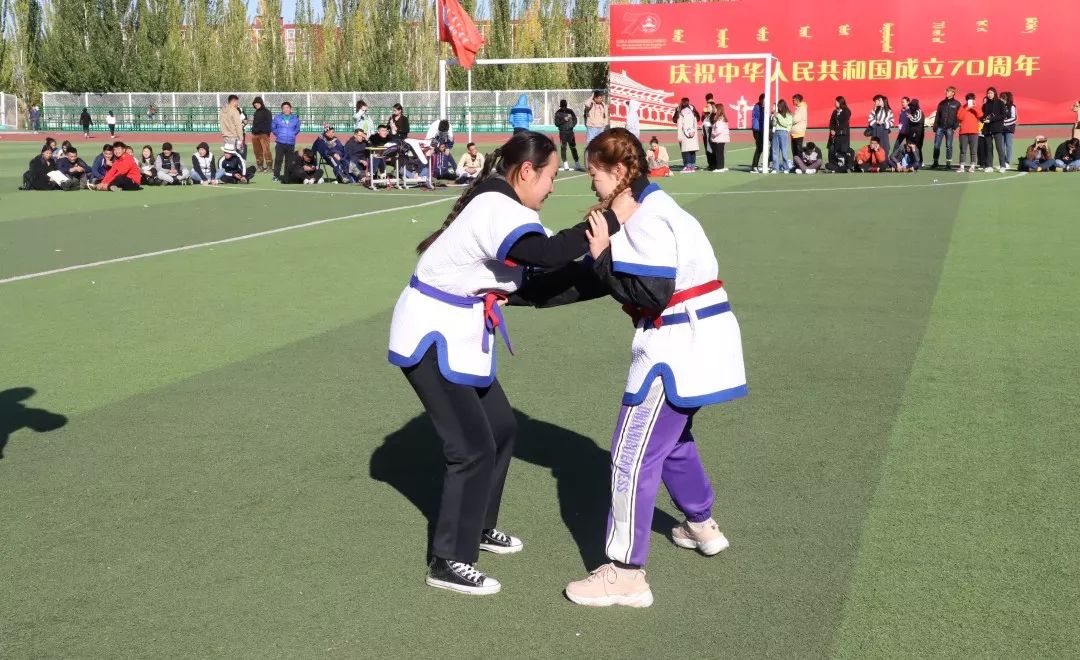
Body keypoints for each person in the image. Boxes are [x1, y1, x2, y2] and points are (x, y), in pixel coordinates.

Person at [508, 128, 747, 608]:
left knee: (630, 455)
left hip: (676, 346)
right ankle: (701, 524)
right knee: (671, 440)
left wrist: (601, 255)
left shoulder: (648, 217)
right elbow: (596, 279)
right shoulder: (649, 208)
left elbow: (650, 293)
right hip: (697, 340)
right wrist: (518, 294)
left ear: (618, 172)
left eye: (595, 175)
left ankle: (625, 573)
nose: (591, 184)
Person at [387, 131, 624, 596]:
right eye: (551, 176)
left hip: (459, 335)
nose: (553, 186)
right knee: (471, 447)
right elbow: (547, 254)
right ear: (527, 172)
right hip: (430, 335)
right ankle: (448, 560)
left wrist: (608, 274)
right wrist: (612, 217)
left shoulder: (508, 209)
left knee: (500, 429)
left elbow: (540, 282)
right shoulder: (496, 207)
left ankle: (476, 525)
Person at [931, 87, 961, 169]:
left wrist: (954, 127)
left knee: (949, 146)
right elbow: (937, 115)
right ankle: (935, 162)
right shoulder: (941, 103)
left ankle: (948, 163)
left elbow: (959, 116)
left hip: (950, 128)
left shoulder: (957, 104)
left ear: (953, 93)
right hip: (940, 127)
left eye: (948, 91)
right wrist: (935, 126)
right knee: (936, 145)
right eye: (946, 91)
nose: (946, 92)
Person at [271, 101, 301, 182]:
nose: (286, 109)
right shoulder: (277, 118)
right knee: (278, 160)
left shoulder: (295, 119)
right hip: (280, 142)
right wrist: (279, 134)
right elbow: (273, 128)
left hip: (291, 143)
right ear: (282, 109)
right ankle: (276, 176)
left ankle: (286, 176)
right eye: (284, 108)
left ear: (290, 109)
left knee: (289, 161)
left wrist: (292, 134)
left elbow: (297, 129)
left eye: (287, 107)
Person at [981, 87, 1008, 172]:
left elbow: (1003, 115)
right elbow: (982, 115)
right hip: (987, 128)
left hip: (997, 128)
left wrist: (991, 119)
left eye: (991, 93)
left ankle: (1002, 166)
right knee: (988, 147)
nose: (989, 95)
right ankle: (989, 166)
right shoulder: (985, 104)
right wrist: (983, 119)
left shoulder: (1000, 103)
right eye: (988, 93)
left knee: (999, 147)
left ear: (995, 94)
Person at [956, 92, 981, 173]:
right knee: (963, 150)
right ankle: (962, 167)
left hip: (974, 132)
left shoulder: (976, 107)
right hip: (963, 132)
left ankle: (972, 166)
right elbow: (959, 117)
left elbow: (980, 115)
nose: (970, 100)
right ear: (966, 100)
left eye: (972, 99)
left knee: (973, 150)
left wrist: (974, 107)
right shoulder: (962, 107)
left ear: (974, 100)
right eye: (968, 99)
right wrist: (966, 108)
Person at [554, 100, 580, 171]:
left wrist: (572, 125)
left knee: (573, 147)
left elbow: (575, 119)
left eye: (565, 106)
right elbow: (556, 123)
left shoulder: (570, 111)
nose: (564, 107)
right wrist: (563, 120)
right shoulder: (558, 113)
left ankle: (577, 163)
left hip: (570, 132)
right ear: (561, 106)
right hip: (563, 132)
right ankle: (565, 164)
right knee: (563, 147)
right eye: (563, 106)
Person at [249, 97, 273, 174]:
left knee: (266, 151)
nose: (256, 105)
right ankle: (260, 166)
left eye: (257, 103)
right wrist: (253, 131)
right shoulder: (256, 112)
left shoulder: (267, 112)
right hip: (255, 135)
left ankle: (269, 166)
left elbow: (269, 123)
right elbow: (254, 123)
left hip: (263, 135)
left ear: (261, 103)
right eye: (255, 103)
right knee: (257, 152)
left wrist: (267, 133)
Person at [770, 99, 794, 173]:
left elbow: (785, 124)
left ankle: (786, 168)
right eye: (778, 107)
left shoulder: (788, 115)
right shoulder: (778, 114)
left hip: (784, 133)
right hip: (776, 132)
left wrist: (778, 116)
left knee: (784, 151)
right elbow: (774, 124)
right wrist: (774, 118)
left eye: (780, 106)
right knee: (775, 151)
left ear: (783, 106)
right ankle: (775, 168)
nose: (779, 108)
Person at [828, 96, 852, 162]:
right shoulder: (835, 111)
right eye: (835, 102)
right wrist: (831, 129)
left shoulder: (846, 111)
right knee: (832, 149)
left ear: (841, 102)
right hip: (834, 135)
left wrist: (836, 131)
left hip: (843, 135)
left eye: (837, 102)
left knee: (842, 150)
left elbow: (843, 124)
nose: (835, 103)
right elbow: (831, 122)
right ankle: (832, 163)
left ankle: (843, 163)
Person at [708, 104, 730, 172]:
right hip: (721, 138)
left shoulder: (720, 119)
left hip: (719, 139)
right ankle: (721, 166)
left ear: (718, 110)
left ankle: (719, 167)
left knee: (718, 153)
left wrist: (712, 134)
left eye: (715, 108)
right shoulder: (721, 118)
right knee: (720, 153)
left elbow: (718, 130)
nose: (714, 109)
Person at [1001, 91, 1017, 169]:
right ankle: (1003, 162)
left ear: (1007, 99)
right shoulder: (999, 107)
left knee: (1008, 145)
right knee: (1001, 146)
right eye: (1001, 98)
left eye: (1003, 98)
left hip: (1009, 129)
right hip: (1001, 129)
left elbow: (1014, 118)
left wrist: (1005, 122)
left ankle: (1007, 162)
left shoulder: (1012, 107)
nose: (1001, 99)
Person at [751, 94, 766, 172]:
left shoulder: (762, 107)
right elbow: (759, 117)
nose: (765, 101)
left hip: (762, 129)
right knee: (759, 147)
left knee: (761, 147)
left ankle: (756, 165)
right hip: (757, 129)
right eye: (764, 100)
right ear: (761, 100)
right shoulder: (757, 107)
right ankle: (754, 166)